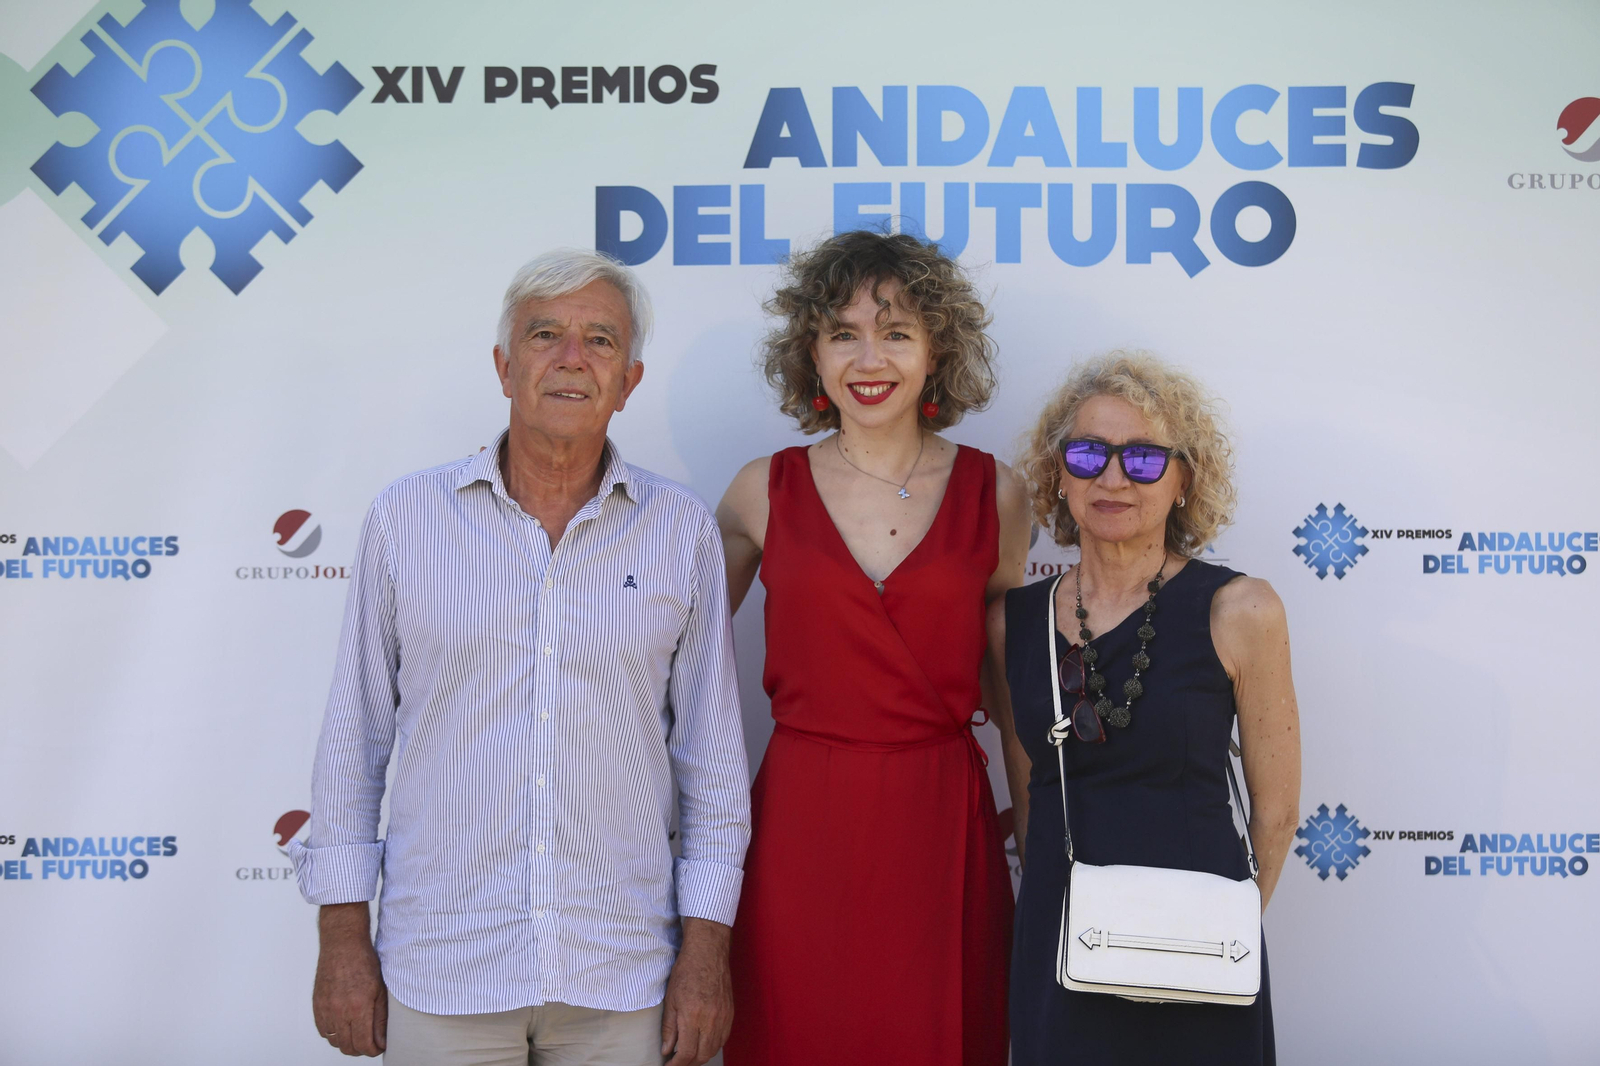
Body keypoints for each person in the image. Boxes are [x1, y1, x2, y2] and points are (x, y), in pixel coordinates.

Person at [288, 249, 751, 1066]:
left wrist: (707, 958)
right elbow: (353, 743)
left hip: (621, 973)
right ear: (505, 367)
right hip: (442, 967)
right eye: (546, 335)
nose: (573, 358)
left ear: (631, 379)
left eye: (601, 340)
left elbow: (711, 766)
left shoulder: (680, 533)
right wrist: (342, 940)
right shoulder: (406, 520)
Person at [715, 231, 1032, 1066]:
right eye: (843, 332)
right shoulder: (760, 489)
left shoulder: (996, 493)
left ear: (936, 353)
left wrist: (1040, 834)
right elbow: (671, 666)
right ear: (810, 354)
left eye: (896, 332)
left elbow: (1011, 695)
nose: (869, 357)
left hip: (940, 826)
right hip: (801, 826)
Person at [990, 351, 1301, 1065]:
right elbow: (1031, 796)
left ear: (1184, 477)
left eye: (1144, 458)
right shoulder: (1015, 622)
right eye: (1089, 452)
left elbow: (1277, 813)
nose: (1112, 477)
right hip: (1063, 939)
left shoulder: (1241, 608)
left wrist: (1222, 929)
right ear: (1057, 472)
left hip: (1195, 945)